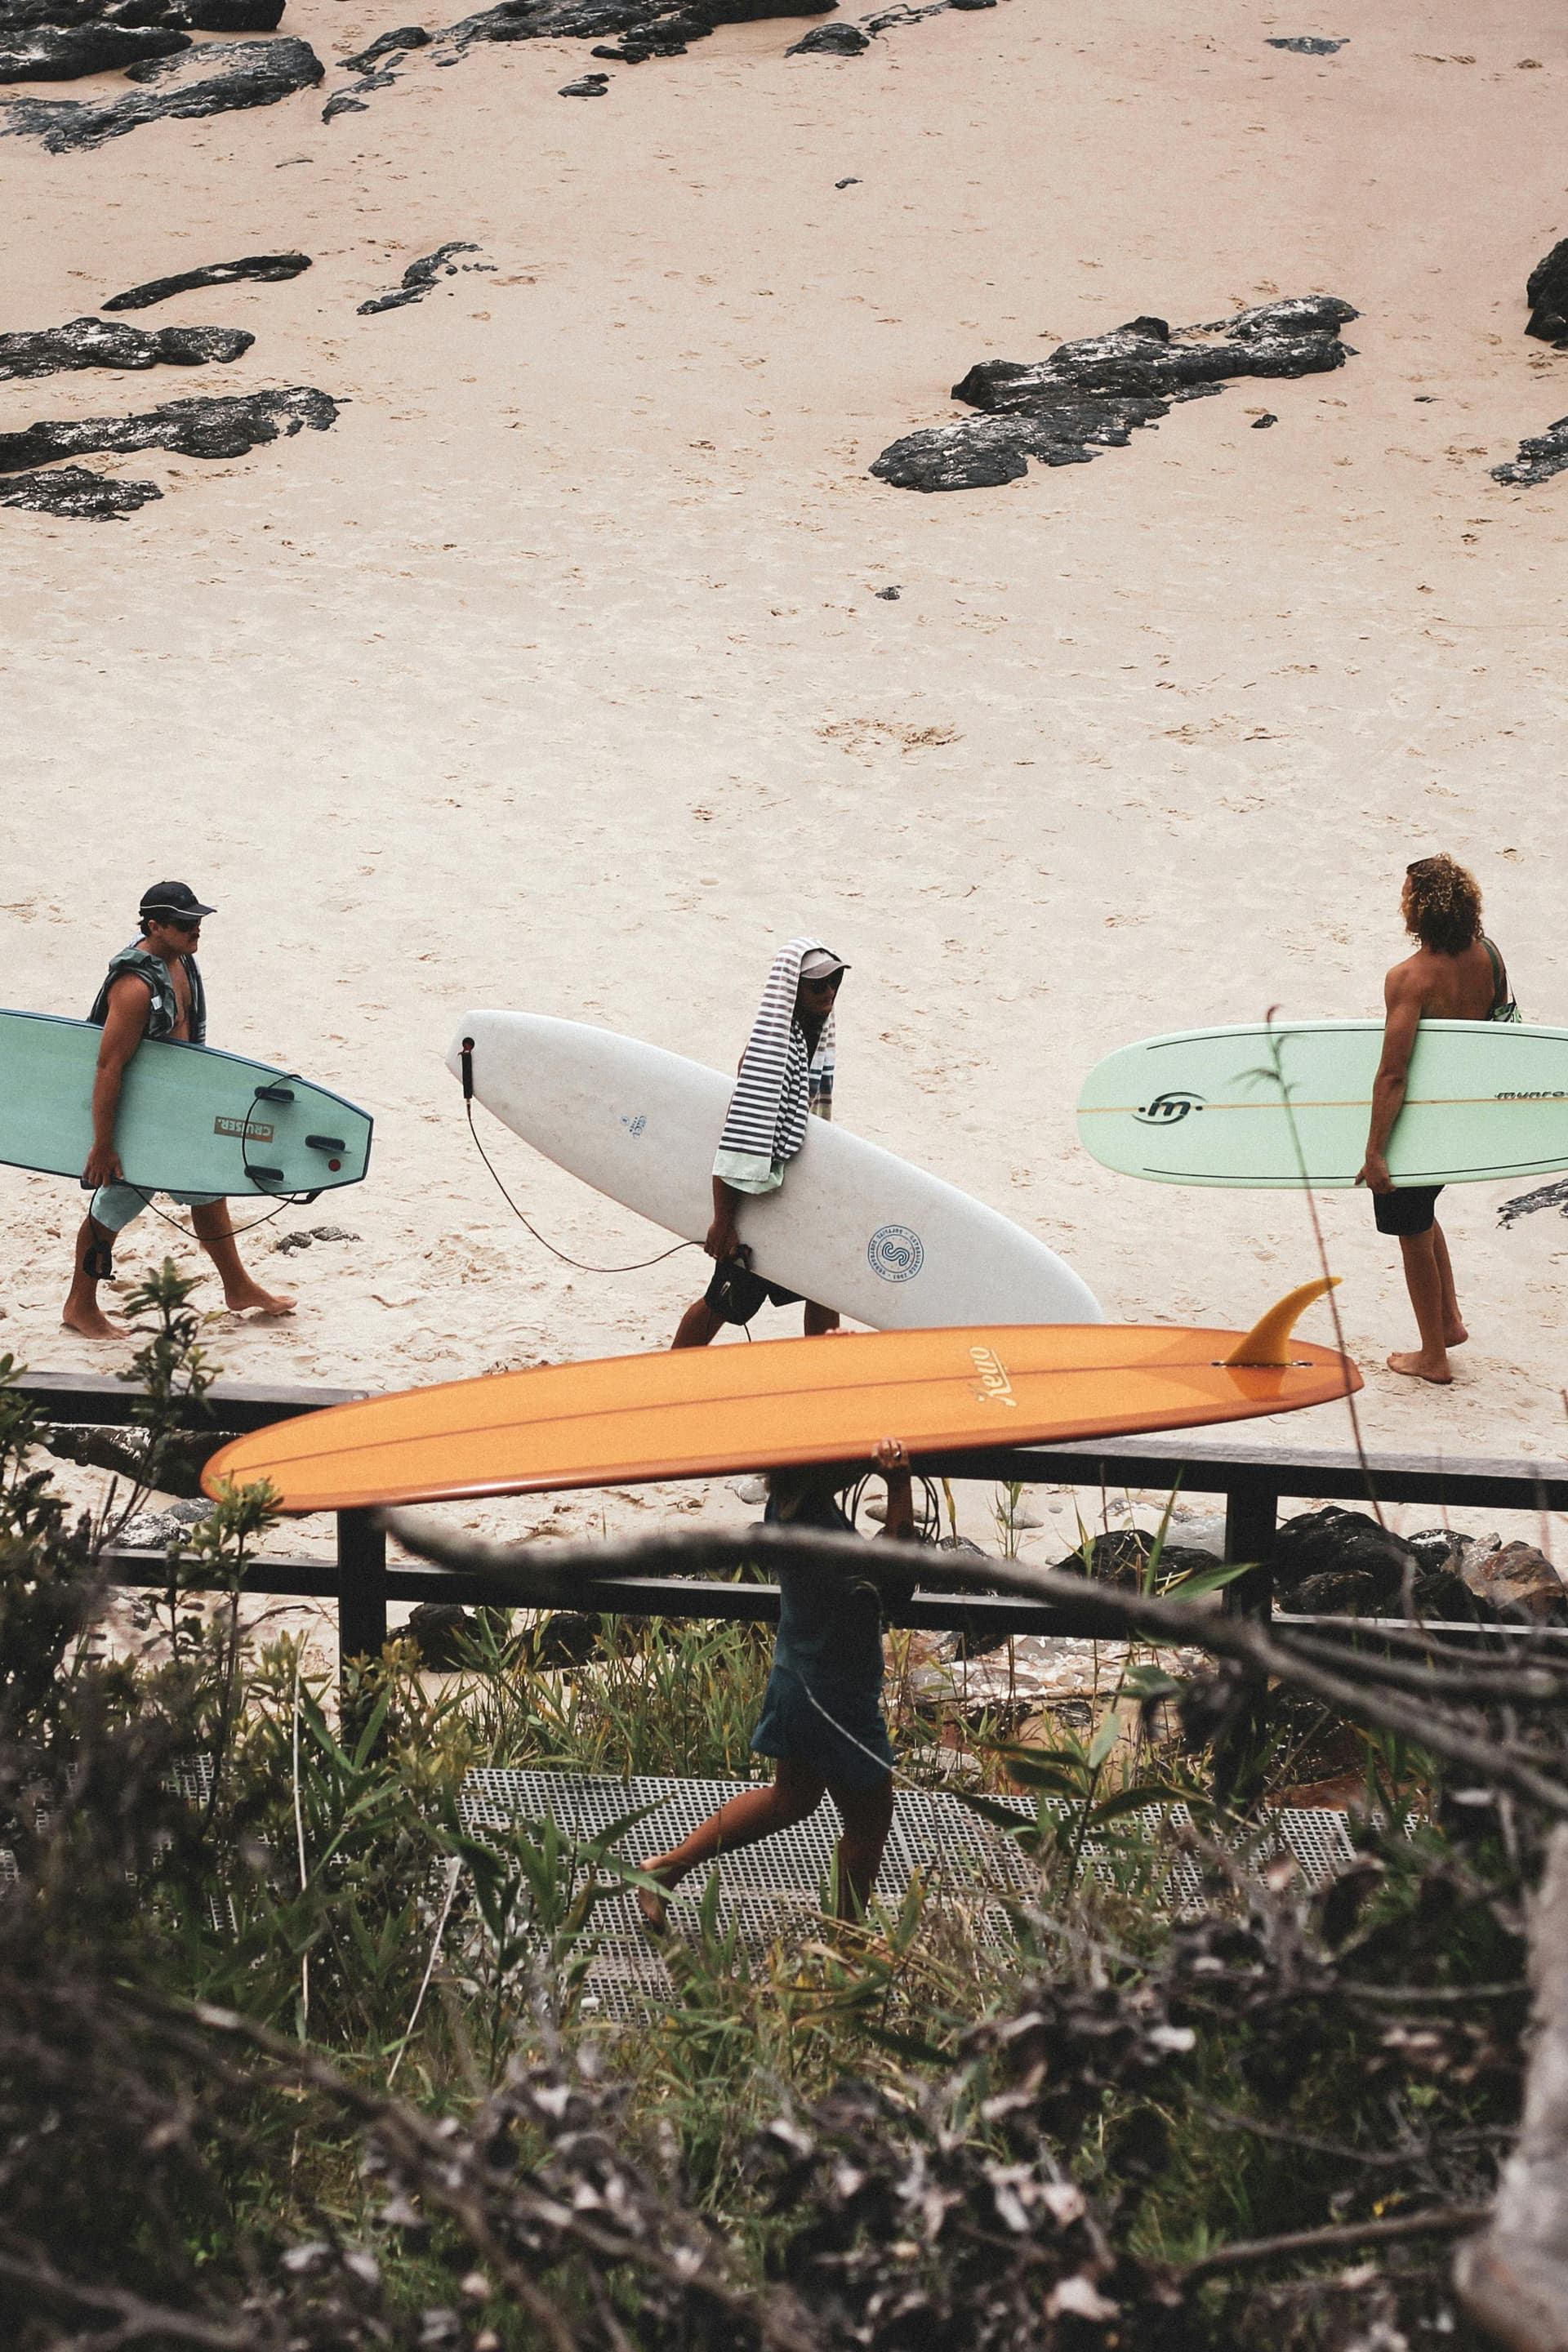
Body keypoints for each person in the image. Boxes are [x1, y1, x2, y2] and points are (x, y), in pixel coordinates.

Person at [635, 1439, 915, 1931]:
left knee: (790, 1798)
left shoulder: (786, 1504)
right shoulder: (820, 1532)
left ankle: (665, 1868)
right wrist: (897, 1483)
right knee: (868, 1828)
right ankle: (846, 1946)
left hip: (797, 1679)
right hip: (835, 1697)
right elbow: (895, 1575)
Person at [62, 882, 296, 1339]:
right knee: (111, 1209)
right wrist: (105, 1144)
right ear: (155, 926)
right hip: (142, 1117)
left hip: (176, 1107)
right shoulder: (133, 987)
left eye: (199, 922)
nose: (197, 931)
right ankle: (80, 1305)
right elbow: (109, 1067)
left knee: (207, 1188)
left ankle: (238, 1287)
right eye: (186, 924)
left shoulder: (181, 960)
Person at [1355, 854, 1516, 1385]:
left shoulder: (1411, 978)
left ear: (1418, 908)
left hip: (1417, 1121)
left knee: (1411, 1231)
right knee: (1423, 1212)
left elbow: (1393, 1075)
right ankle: (1447, 1322)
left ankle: (1433, 1357)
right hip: (1460, 1115)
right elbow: (1502, 1030)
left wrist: (1376, 1150)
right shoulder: (1488, 957)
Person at [670, 937, 849, 1348]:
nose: (829, 992)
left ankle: (828, 1380)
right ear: (791, 989)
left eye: (834, 981)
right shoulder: (772, 1053)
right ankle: (668, 1373)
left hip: (786, 1201)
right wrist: (723, 1222)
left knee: (821, 1288)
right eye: (817, 985)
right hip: (757, 1206)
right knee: (723, 1303)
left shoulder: (806, 1043)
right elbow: (737, 1143)